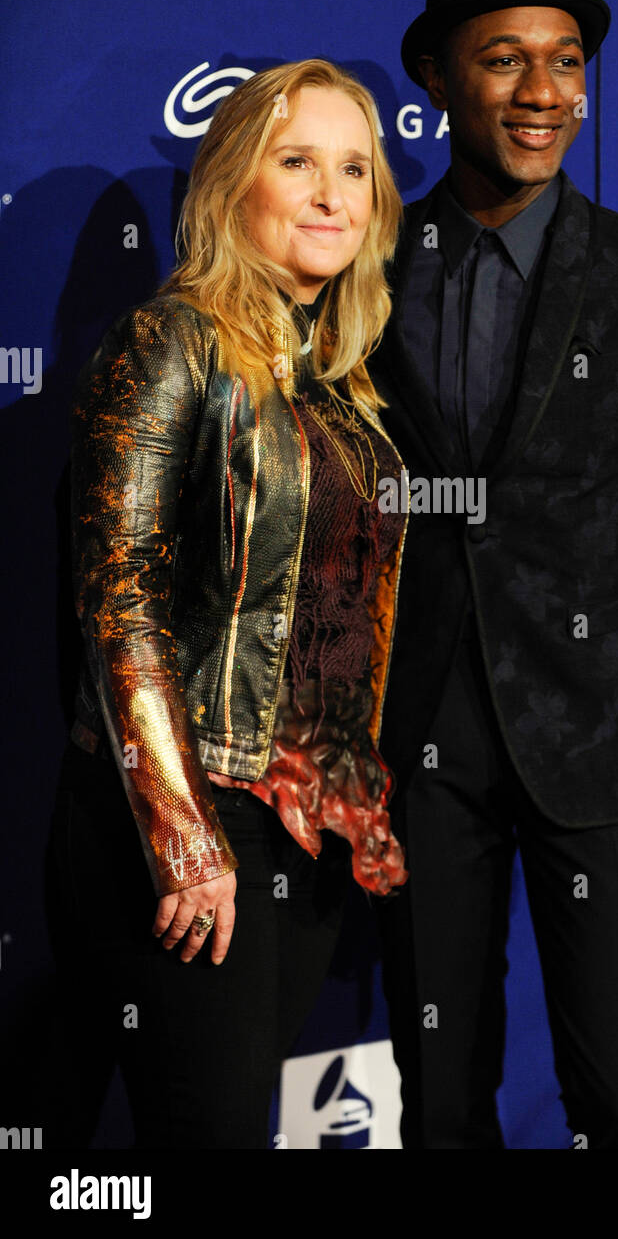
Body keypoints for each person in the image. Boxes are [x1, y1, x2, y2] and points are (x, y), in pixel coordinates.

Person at [370, 0, 618, 1149]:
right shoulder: (362, 269)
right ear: (434, 76)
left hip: (604, 749)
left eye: (566, 61)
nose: (544, 93)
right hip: (415, 744)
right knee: (438, 1099)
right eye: (503, 61)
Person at [45, 58, 408, 1149]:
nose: (331, 194)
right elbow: (119, 602)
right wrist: (183, 829)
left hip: (296, 823)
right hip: (182, 813)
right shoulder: (172, 339)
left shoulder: (339, 384)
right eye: (296, 161)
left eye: (354, 168)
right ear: (229, 185)